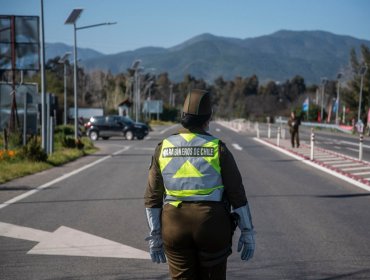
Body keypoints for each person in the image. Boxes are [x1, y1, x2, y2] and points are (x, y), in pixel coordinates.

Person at [144, 89, 255, 280]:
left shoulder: (163, 147)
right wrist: (247, 231)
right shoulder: (217, 148)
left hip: (174, 226)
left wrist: (155, 236)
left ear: (182, 117)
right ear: (208, 118)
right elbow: (237, 194)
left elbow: (152, 197)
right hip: (212, 226)